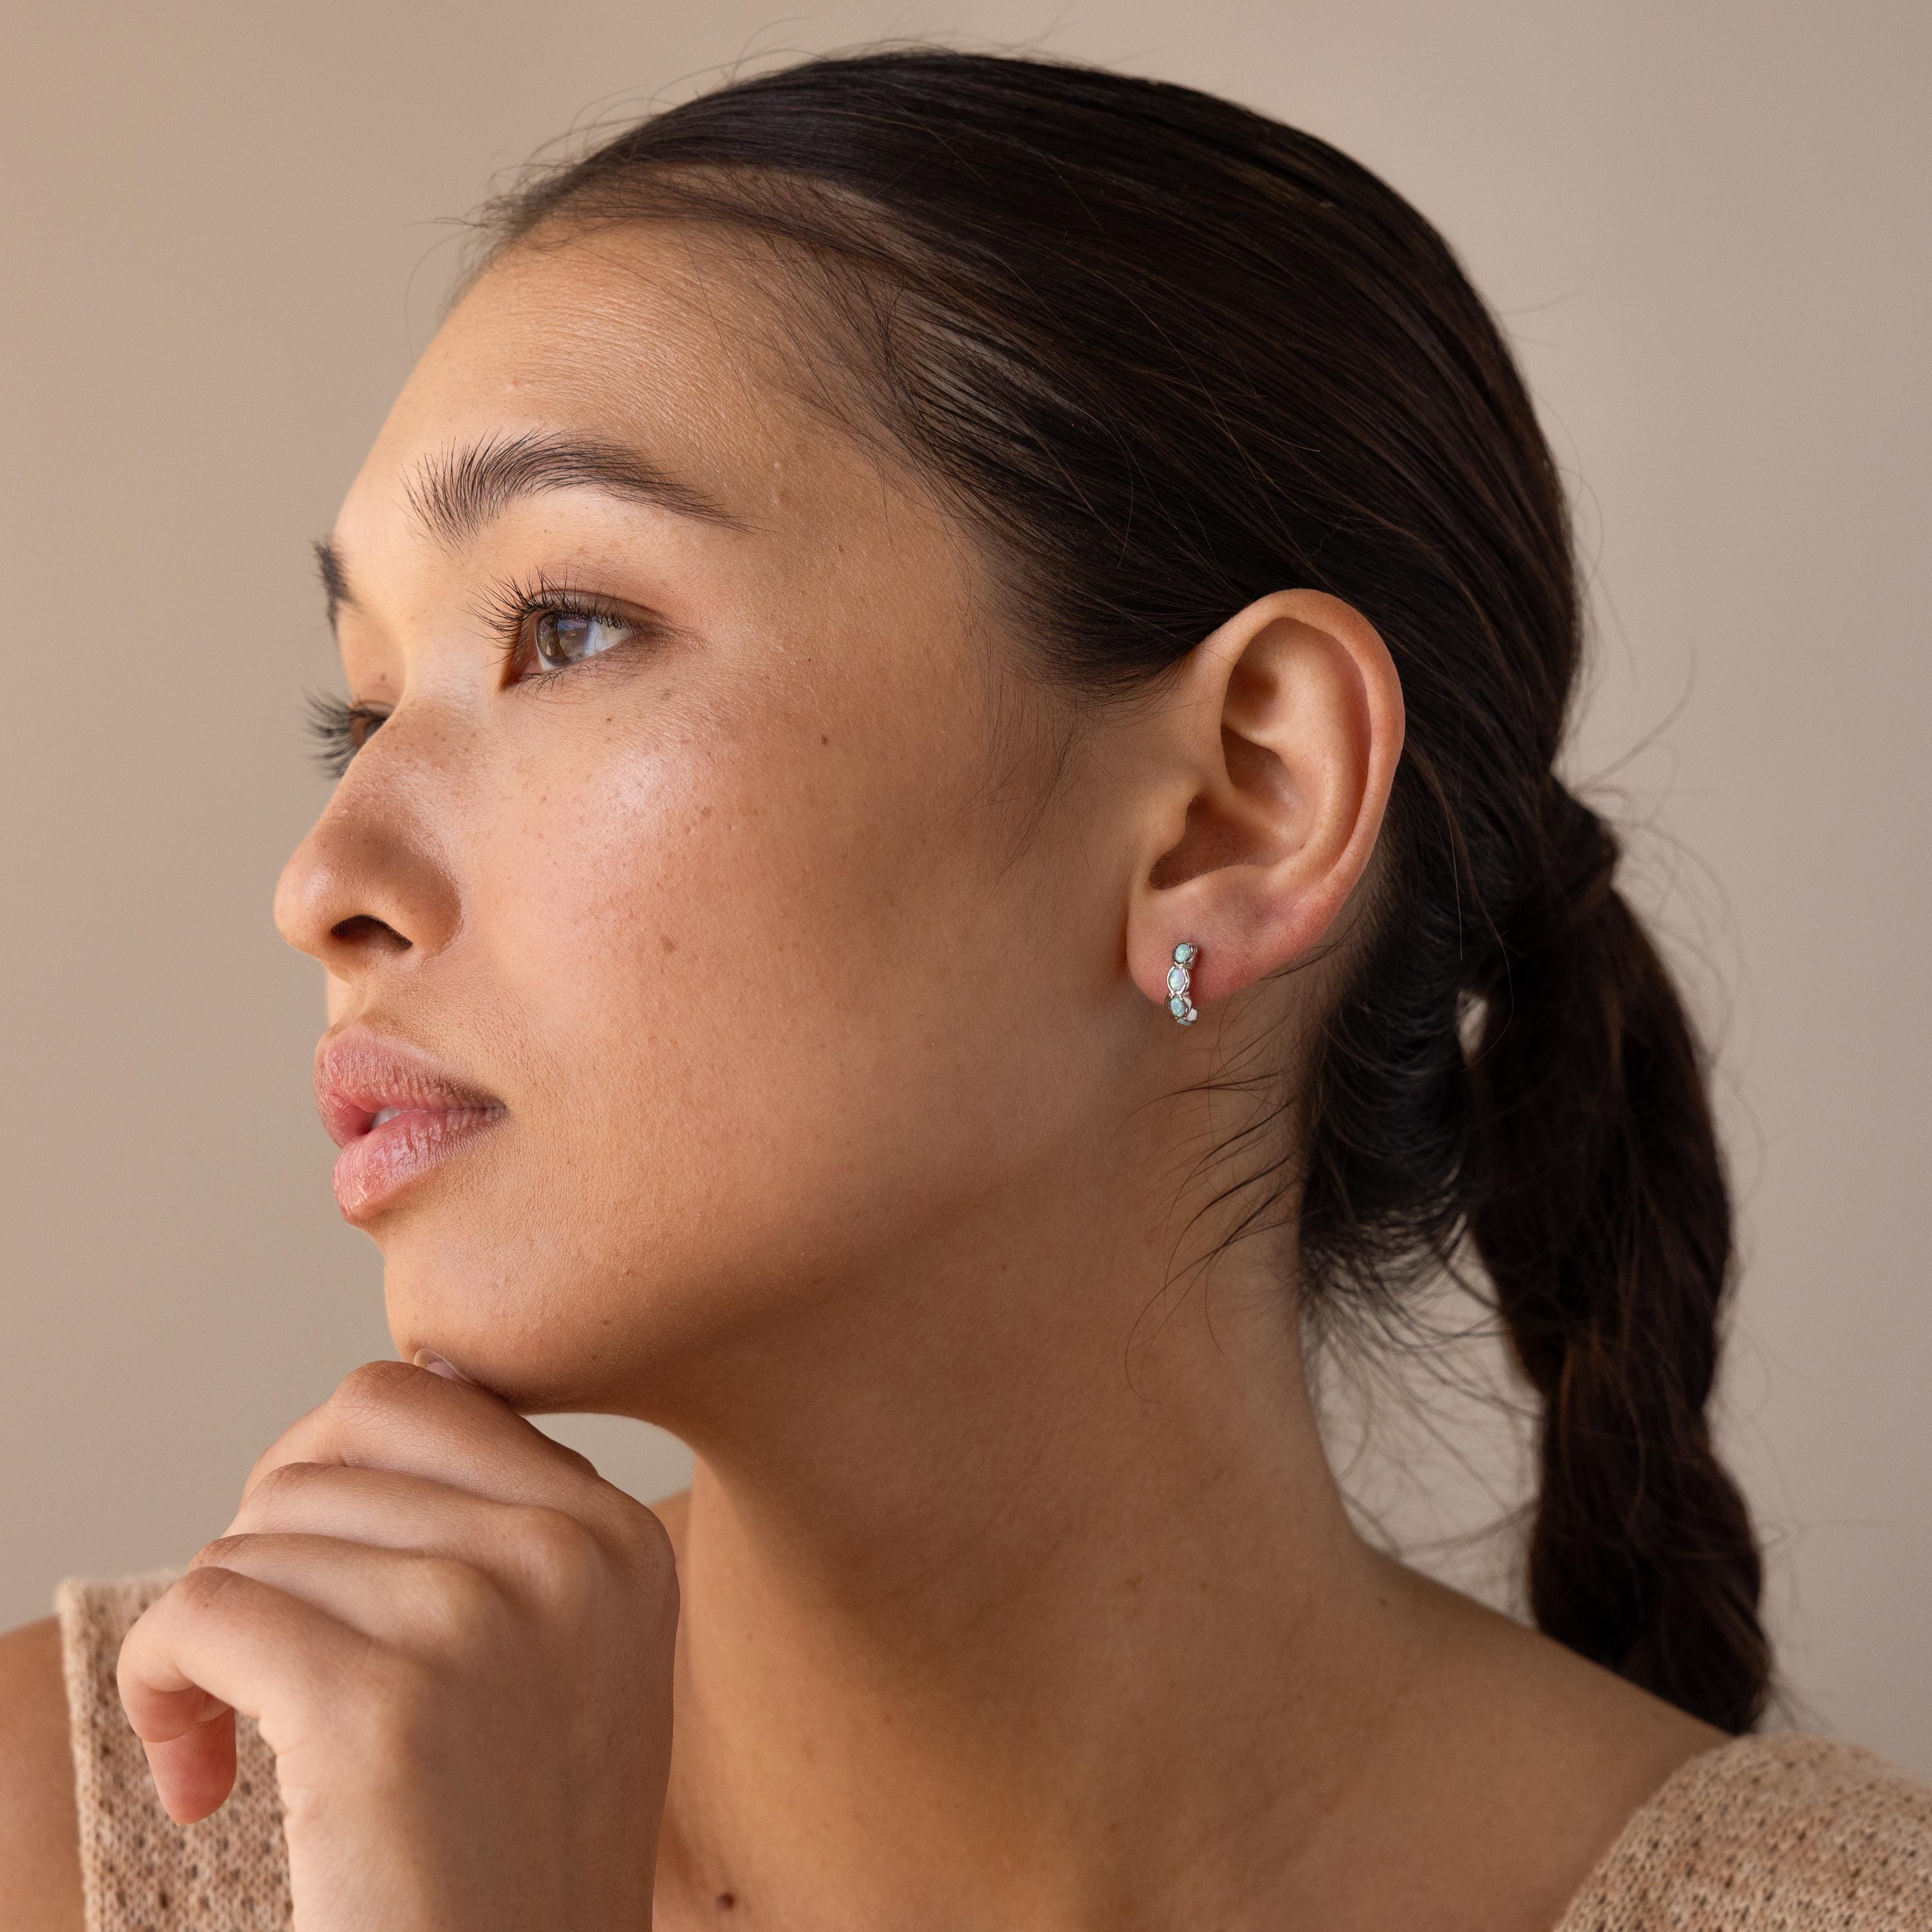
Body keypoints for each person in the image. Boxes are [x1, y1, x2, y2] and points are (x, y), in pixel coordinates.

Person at [2, 45, 1927, 1932]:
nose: (321, 881)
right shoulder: (82, 1842)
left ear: (1233, 804)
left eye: (567, 630)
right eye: (364, 701)